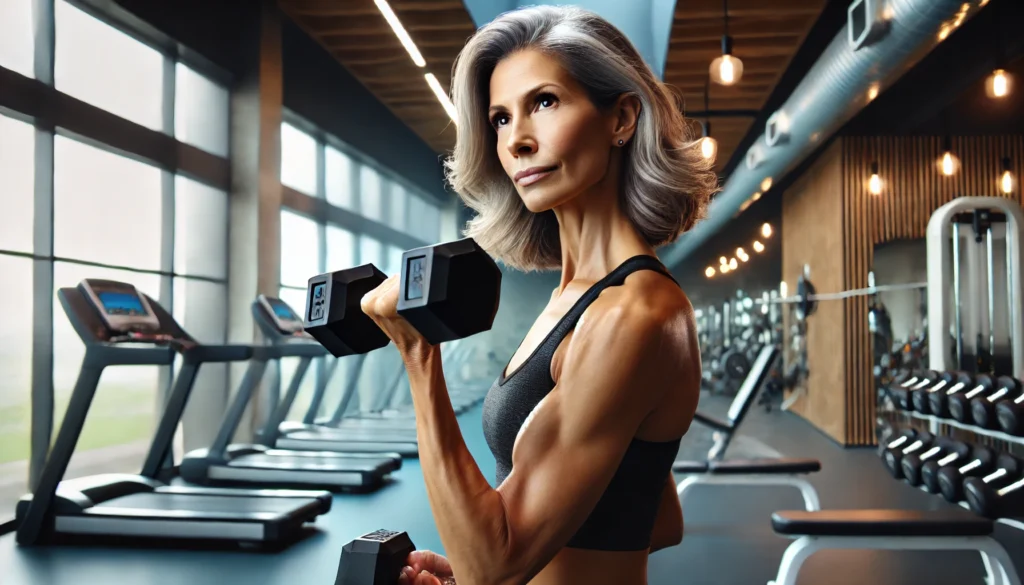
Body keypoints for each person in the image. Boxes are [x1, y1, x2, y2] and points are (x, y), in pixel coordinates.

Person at [360, 5, 716, 585]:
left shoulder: (634, 313)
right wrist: (473, 566)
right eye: (500, 119)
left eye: (544, 102)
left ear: (621, 118)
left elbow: (496, 565)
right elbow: (651, 516)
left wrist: (419, 356)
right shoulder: (578, 300)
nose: (517, 140)